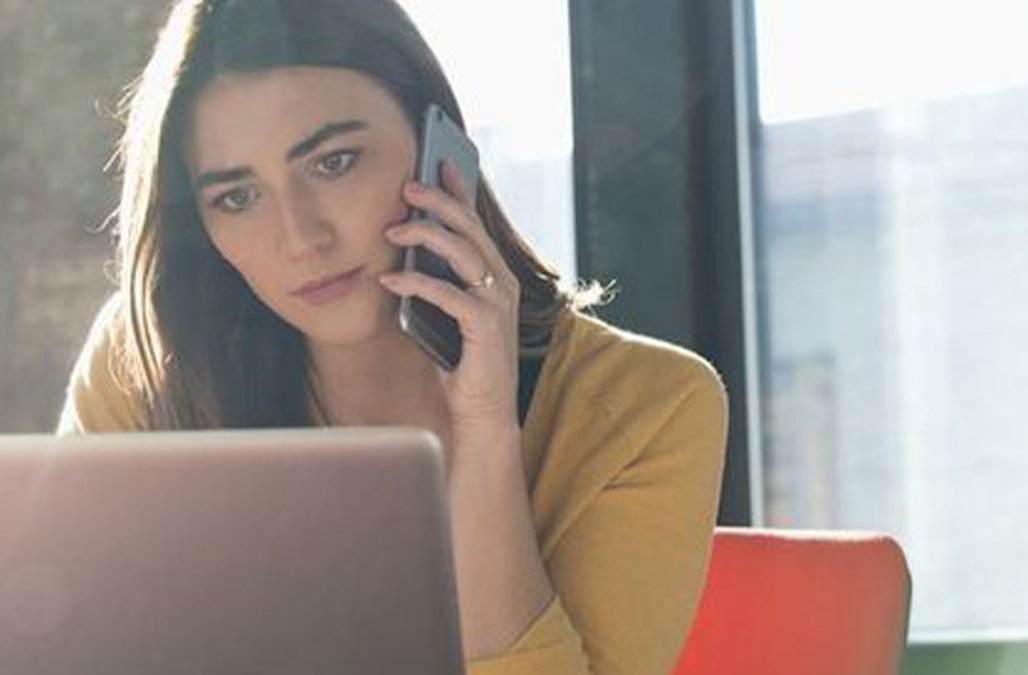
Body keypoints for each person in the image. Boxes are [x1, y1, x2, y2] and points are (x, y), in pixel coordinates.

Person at [57, 0, 729, 673]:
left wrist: (485, 435)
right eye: (238, 197)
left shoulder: (649, 409)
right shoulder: (147, 360)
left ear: (441, 147)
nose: (301, 238)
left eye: (335, 162)